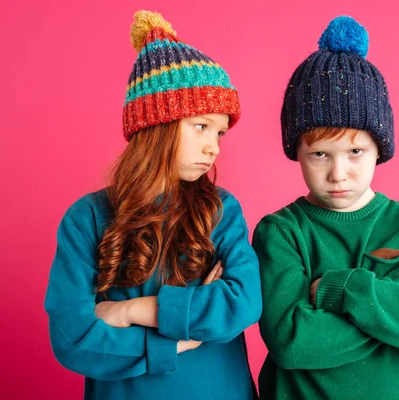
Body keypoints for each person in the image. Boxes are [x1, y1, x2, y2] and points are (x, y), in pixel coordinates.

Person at [253, 15, 399, 400]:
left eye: (356, 152)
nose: (338, 173)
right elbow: (291, 342)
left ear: (379, 150)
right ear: (298, 154)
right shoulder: (281, 231)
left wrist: (346, 289)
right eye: (320, 154)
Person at [45, 10, 262, 400]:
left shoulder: (221, 211)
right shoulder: (87, 219)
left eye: (220, 132)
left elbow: (242, 302)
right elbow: (73, 336)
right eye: (200, 126)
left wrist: (129, 312)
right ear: (156, 126)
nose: (213, 145)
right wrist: (174, 339)